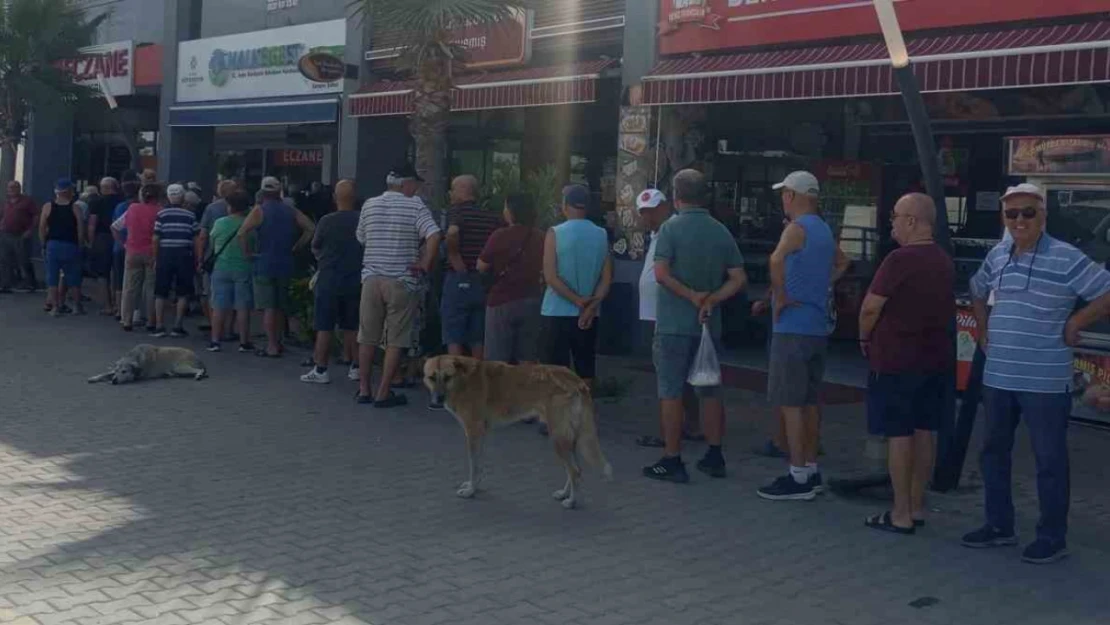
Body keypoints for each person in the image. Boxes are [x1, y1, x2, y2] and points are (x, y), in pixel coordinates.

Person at [963, 183, 1110, 564]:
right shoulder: (998, 255)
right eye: (1011, 214)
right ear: (1003, 218)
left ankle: (1052, 537)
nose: (1019, 220)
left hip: (1045, 382)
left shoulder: (1065, 257)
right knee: (993, 453)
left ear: (1043, 216)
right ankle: (999, 526)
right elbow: (976, 288)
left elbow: (1107, 291)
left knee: (1049, 462)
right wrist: (983, 328)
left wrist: (1078, 319)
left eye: (1028, 212)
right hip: (998, 378)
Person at [858, 193, 955, 534]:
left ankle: (899, 513)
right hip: (935, 361)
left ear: (912, 221)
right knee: (924, 430)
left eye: (896, 216)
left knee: (898, 433)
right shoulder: (943, 260)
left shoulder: (899, 260)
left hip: (897, 360)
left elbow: (871, 307)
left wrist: (863, 337)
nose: (892, 223)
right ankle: (917, 506)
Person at [642, 172, 747, 483]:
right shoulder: (720, 231)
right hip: (707, 327)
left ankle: (672, 458)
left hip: (673, 325)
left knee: (671, 392)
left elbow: (660, 273)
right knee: (710, 391)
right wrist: (711, 300)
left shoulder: (670, 229)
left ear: (676, 195)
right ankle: (715, 455)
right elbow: (739, 278)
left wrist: (691, 295)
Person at [757, 171, 849, 501]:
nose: (782, 199)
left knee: (790, 402)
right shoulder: (823, 230)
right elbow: (843, 262)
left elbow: (775, 259)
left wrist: (780, 296)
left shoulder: (795, 229)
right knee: (810, 401)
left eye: (784, 193)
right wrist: (821, 285)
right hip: (816, 327)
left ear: (794, 196)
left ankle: (797, 476)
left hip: (791, 326)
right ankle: (811, 468)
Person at [355, 163, 441, 407]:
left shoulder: (369, 204)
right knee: (396, 339)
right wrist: (425, 263)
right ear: (405, 184)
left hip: (371, 279)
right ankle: (383, 392)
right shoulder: (414, 205)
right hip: (401, 280)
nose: (416, 190)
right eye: (415, 185)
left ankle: (363, 389)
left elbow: (361, 237)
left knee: (367, 336)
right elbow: (434, 235)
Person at [632, 189, 705, 449]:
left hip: (666, 316)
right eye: (643, 212)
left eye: (652, 209)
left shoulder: (672, 231)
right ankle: (688, 426)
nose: (648, 216)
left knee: (671, 378)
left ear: (666, 206)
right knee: (675, 376)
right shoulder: (658, 235)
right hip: (654, 314)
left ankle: (670, 435)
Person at [541, 184, 612, 384]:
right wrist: (590, 306)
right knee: (585, 370)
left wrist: (577, 300)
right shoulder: (601, 234)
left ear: (565, 205)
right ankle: (584, 413)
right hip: (589, 314)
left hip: (556, 311)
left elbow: (550, 277)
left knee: (554, 374)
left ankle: (555, 415)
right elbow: (606, 279)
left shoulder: (555, 232)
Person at [237, 176, 315, 358]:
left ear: (263, 192)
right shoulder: (290, 210)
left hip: (264, 261)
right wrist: (296, 246)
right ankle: (279, 341)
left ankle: (271, 346)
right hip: (285, 261)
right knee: (280, 305)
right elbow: (310, 228)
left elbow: (242, 233)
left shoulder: (259, 210)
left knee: (268, 306)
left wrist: (247, 253)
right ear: (280, 192)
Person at [301, 179, 363, 384]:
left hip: (329, 279)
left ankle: (321, 369)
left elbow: (315, 246)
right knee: (352, 326)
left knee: (324, 326)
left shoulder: (326, 221)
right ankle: (356, 366)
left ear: (335, 198)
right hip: (355, 278)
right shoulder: (362, 219)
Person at [477, 192, 544, 364]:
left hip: (502, 300)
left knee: (497, 359)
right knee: (528, 357)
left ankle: (499, 391)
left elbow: (482, 266)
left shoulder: (500, 235)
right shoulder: (541, 236)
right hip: (532, 299)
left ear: (511, 211)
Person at [442, 175, 502, 359]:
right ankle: (479, 379)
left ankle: (457, 381)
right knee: (478, 334)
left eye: (452, 189)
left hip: (459, 278)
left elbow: (452, 232)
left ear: (462, 191)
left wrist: (455, 259)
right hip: (482, 280)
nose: (450, 194)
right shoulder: (491, 217)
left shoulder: (456, 211)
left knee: (454, 333)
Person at [206, 190, 255, 353]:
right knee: (242, 306)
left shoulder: (220, 223)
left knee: (219, 306)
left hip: (221, 267)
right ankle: (244, 342)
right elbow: (254, 245)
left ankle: (215, 341)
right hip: (243, 267)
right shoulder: (250, 224)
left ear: (230, 207)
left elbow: (212, 242)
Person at [150, 184, 200, 338]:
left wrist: (155, 257)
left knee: (160, 291)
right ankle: (177, 326)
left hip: (165, 254)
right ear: (183, 197)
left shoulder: (162, 214)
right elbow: (196, 238)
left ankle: (159, 325)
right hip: (184, 254)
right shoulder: (190, 215)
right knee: (183, 291)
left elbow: (156, 237)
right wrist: (198, 258)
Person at [113, 183, 162, 332]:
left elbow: (115, 227)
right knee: (150, 288)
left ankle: (126, 320)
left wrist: (123, 244)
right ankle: (150, 321)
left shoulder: (133, 208)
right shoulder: (160, 211)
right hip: (152, 253)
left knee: (129, 287)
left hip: (133, 251)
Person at [39, 179, 86, 316]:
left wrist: (43, 244)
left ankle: (55, 307)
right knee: (73, 277)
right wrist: (81, 244)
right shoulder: (75, 207)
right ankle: (77, 306)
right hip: (70, 244)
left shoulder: (48, 206)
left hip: (53, 245)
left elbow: (42, 227)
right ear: (70, 191)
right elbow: (80, 229)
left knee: (52, 277)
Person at [198, 180, 238, 335]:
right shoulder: (245, 209)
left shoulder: (211, 208)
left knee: (212, 293)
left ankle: (215, 326)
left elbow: (203, 235)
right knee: (234, 295)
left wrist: (201, 258)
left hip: (213, 255)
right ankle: (229, 328)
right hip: (236, 255)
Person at [87, 177, 124, 315]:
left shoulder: (97, 202)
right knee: (118, 271)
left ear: (105, 188)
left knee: (103, 273)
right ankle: (118, 304)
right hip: (120, 237)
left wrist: (90, 242)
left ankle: (107, 305)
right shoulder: (122, 201)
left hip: (102, 237)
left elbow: (92, 223)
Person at [0, 181, 39, 293]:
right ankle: (5, 285)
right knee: (4, 260)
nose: (11, 189)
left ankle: (31, 283)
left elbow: (36, 216)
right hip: (5, 234)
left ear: (19, 188)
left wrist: (30, 230)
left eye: (14, 187)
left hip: (21, 235)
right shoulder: (5, 201)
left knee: (24, 259)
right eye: (9, 187)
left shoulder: (27, 201)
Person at [111, 181, 140, 322]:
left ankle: (118, 309)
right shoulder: (139, 207)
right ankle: (134, 311)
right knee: (135, 281)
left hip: (120, 246)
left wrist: (120, 242)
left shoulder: (120, 207)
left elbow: (114, 225)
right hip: (136, 247)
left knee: (118, 278)